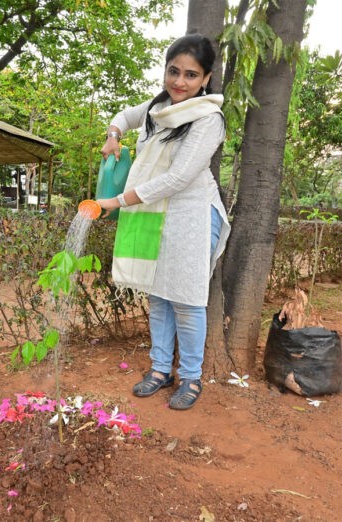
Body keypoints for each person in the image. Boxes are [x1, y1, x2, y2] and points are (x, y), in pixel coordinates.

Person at [96, 34, 230, 410]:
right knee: (158, 297)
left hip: (193, 215)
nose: (179, 82)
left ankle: (190, 377)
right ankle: (159, 369)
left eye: (191, 75)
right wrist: (113, 135)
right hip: (156, 213)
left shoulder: (208, 120)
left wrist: (116, 202)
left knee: (186, 301)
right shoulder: (159, 106)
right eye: (174, 71)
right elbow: (124, 116)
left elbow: (179, 178)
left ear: (205, 79)